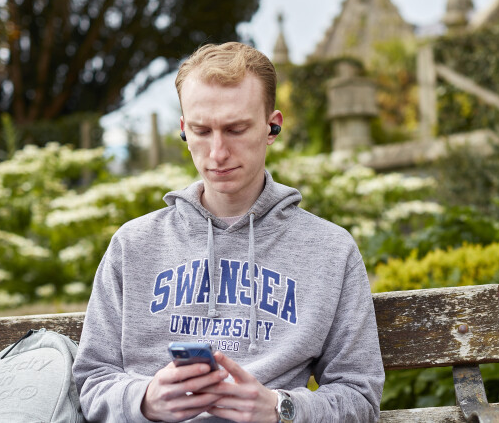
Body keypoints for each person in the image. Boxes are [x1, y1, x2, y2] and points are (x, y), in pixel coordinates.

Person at [72, 42, 385, 422]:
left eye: (236, 129)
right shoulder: (133, 245)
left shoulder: (330, 250)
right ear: (184, 130)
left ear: (273, 127)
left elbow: (359, 396)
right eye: (202, 131)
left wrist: (279, 409)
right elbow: (91, 380)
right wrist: (145, 401)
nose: (217, 153)